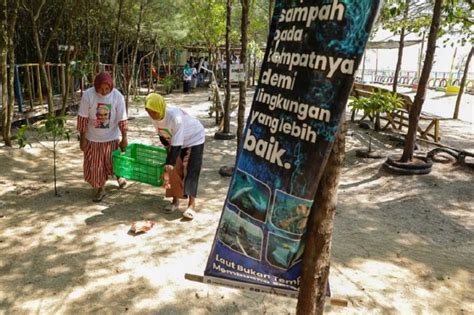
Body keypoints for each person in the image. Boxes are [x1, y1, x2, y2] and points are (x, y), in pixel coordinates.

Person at [144, 93, 205, 220]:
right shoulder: (154, 117)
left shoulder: (174, 118)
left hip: (194, 138)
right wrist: (169, 159)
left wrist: (168, 167)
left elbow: (176, 146)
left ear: (160, 107)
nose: (151, 114)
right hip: (175, 141)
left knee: (190, 170)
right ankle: (175, 201)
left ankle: (191, 205)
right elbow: (162, 135)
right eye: (149, 111)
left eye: (153, 111)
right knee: (174, 171)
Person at [77, 72, 128, 202]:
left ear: (111, 87)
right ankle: (101, 189)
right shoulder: (88, 95)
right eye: (100, 89)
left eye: (107, 89)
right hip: (93, 138)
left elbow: (122, 118)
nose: (104, 92)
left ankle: (119, 176)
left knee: (113, 162)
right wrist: (82, 139)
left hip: (111, 137)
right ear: (96, 86)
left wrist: (124, 137)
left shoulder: (118, 97)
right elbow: (82, 118)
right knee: (96, 166)